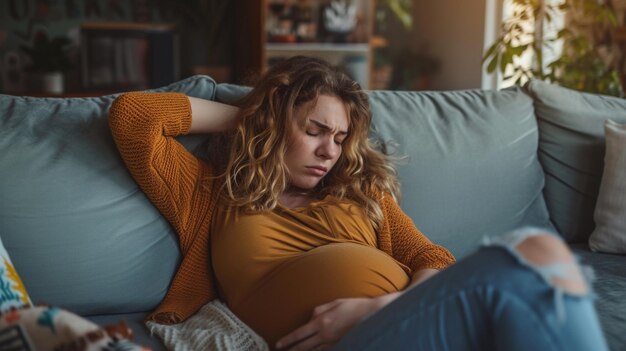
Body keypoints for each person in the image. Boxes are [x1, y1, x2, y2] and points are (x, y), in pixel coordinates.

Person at [109, 56, 608, 351]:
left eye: (341, 137)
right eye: (314, 130)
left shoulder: (360, 193)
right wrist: (257, 115)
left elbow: (432, 259)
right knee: (537, 258)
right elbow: (135, 117)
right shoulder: (211, 192)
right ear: (275, 125)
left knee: (537, 261)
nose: (330, 150)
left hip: (398, 323)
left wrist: (380, 307)